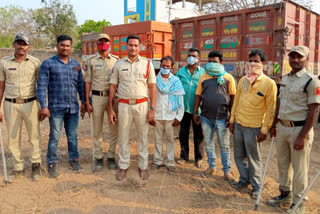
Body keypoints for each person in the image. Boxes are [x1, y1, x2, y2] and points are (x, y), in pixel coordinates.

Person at [266, 46, 320, 214]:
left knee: (299, 169)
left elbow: (314, 110)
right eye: (292, 56)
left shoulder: (312, 81)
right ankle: (285, 194)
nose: (295, 60)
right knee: (283, 164)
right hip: (283, 127)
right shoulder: (286, 79)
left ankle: (299, 203)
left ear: (306, 60)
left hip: (299, 130)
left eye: (299, 57)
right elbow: (280, 103)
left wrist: (302, 137)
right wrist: (275, 124)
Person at [229, 50, 277, 199]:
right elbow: (236, 101)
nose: (252, 64)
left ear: (263, 64)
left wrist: (265, 129)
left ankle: (257, 187)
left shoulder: (269, 84)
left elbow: (271, 109)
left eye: (256, 61)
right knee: (239, 156)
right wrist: (232, 120)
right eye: (250, 61)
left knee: (254, 159)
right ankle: (244, 179)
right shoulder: (243, 80)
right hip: (239, 125)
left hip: (255, 128)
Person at [108, 35, 156, 181]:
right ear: (126, 46)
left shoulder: (148, 64)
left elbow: (152, 87)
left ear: (140, 47)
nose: (133, 48)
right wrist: (110, 108)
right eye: (130, 45)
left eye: (136, 45)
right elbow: (113, 86)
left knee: (142, 137)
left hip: (142, 105)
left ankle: (143, 166)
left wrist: (152, 108)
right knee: (123, 137)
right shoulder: (119, 64)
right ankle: (123, 166)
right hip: (123, 105)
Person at [37, 35, 85, 179]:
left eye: (68, 45)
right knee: (55, 137)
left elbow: (81, 86)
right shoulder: (48, 64)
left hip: (73, 108)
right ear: (57, 46)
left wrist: (84, 102)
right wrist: (44, 106)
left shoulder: (76, 65)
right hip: (56, 108)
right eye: (62, 45)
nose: (65, 48)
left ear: (71, 47)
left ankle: (74, 160)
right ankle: (51, 163)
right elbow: (41, 86)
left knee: (72, 136)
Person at [0, 33, 41, 182]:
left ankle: (36, 165)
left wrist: (42, 106)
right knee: (13, 136)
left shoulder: (36, 63)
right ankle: (18, 166)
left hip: (31, 103)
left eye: (24, 44)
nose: (21, 46)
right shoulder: (4, 63)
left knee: (34, 136)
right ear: (14, 44)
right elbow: (1, 87)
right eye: (19, 43)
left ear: (29, 46)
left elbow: (40, 86)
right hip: (10, 104)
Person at [193, 50, 236, 183]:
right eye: (209, 62)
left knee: (224, 145)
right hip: (205, 116)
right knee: (209, 143)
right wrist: (195, 112)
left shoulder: (228, 77)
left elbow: (233, 97)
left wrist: (231, 116)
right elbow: (198, 95)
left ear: (221, 62)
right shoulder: (204, 77)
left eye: (215, 62)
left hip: (222, 117)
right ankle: (211, 167)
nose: (212, 64)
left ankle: (227, 171)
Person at [84, 33, 119, 171]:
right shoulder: (91, 61)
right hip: (97, 98)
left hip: (113, 99)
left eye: (105, 41)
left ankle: (111, 156)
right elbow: (87, 82)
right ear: (97, 44)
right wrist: (87, 101)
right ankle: (98, 158)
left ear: (109, 43)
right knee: (97, 129)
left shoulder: (116, 61)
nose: (103, 43)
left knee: (113, 129)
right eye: (100, 41)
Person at [150, 56, 184, 172]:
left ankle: (170, 162)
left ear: (172, 68)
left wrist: (179, 117)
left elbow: (180, 101)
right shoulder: (154, 80)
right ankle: (157, 161)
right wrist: (150, 114)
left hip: (171, 116)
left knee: (170, 140)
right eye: (163, 66)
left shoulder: (176, 81)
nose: (165, 68)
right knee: (158, 139)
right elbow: (150, 99)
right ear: (160, 66)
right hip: (158, 115)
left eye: (168, 66)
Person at [176, 48, 205, 168]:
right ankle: (184, 156)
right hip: (183, 109)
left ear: (199, 58)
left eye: (193, 56)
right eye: (189, 55)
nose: (191, 58)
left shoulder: (203, 73)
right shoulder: (181, 72)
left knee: (198, 135)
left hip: (198, 110)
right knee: (183, 133)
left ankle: (199, 158)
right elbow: (175, 87)